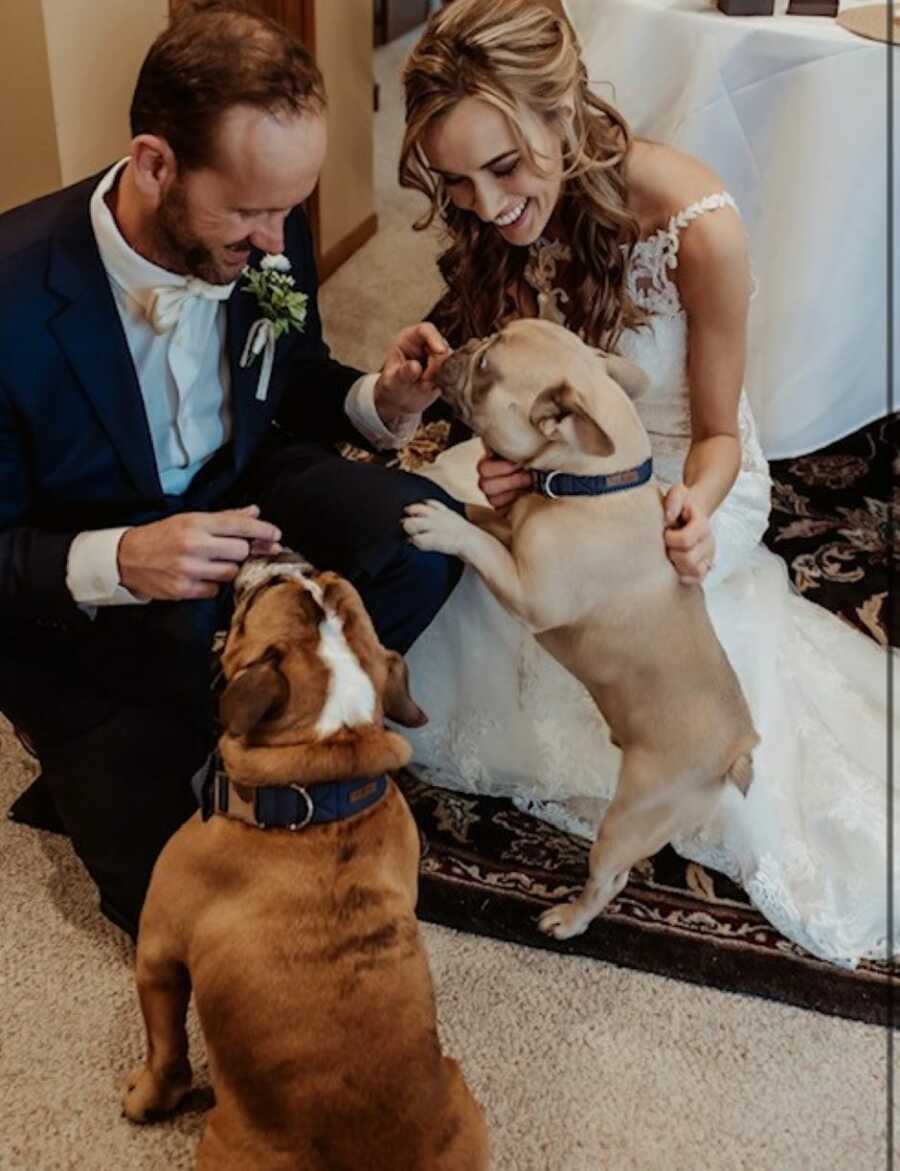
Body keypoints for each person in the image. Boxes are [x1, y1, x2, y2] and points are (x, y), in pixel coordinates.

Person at [396, 0, 896, 966]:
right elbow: (532, 391)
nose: (490, 206)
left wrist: (695, 508)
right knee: (448, 533)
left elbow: (717, 433)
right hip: (573, 467)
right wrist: (516, 464)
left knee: (621, 614)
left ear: (564, 109)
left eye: (504, 168)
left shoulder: (696, 224)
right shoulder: (505, 218)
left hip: (684, 475)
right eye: (458, 183)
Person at [0, 1, 460, 938]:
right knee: (184, 907)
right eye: (250, 210)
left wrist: (385, 402)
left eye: (289, 209)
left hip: (245, 492)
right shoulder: (9, 295)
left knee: (426, 537)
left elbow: (292, 384)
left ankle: (256, 714)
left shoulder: (261, 250)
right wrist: (123, 559)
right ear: (154, 163)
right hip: (90, 588)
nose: (277, 245)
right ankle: (114, 742)